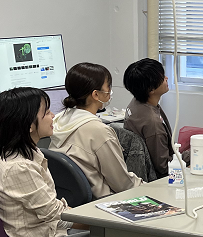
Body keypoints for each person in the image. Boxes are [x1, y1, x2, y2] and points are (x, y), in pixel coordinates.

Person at [0, 87, 89, 237]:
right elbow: (55, 214)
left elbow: (53, 212)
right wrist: (101, 223)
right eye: (47, 112)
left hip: (50, 235)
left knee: (112, 235)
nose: (53, 116)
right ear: (29, 125)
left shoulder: (23, 152)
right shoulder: (19, 167)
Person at [49, 62, 141, 198]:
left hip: (71, 201)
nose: (110, 91)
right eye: (108, 86)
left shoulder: (59, 119)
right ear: (96, 94)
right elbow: (123, 184)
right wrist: (148, 186)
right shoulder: (99, 131)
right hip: (103, 201)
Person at [123, 58, 178, 180]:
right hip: (159, 178)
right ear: (151, 89)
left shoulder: (135, 103)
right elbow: (164, 167)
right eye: (162, 77)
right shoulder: (153, 123)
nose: (166, 78)